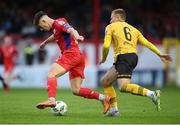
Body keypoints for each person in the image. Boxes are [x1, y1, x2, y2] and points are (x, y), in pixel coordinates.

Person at [33, 11, 110, 113]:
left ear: (43, 21)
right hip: (78, 56)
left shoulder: (58, 23)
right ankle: (104, 98)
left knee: (51, 74)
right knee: (76, 90)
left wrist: (77, 36)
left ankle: (51, 100)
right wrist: (45, 42)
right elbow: (55, 35)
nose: (41, 29)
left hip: (70, 54)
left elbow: (71, 30)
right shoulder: (57, 27)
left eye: (41, 26)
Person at [100, 8, 172, 116]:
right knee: (105, 81)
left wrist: (104, 58)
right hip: (131, 57)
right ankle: (114, 110)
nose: (110, 21)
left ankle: (152, 94)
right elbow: (147, 43)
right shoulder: (134, 29)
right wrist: (159, 53)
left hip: (124, 57)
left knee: (123, 87)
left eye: (112, 18)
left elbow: (106, 45)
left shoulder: (110, 27)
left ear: (119, 17)